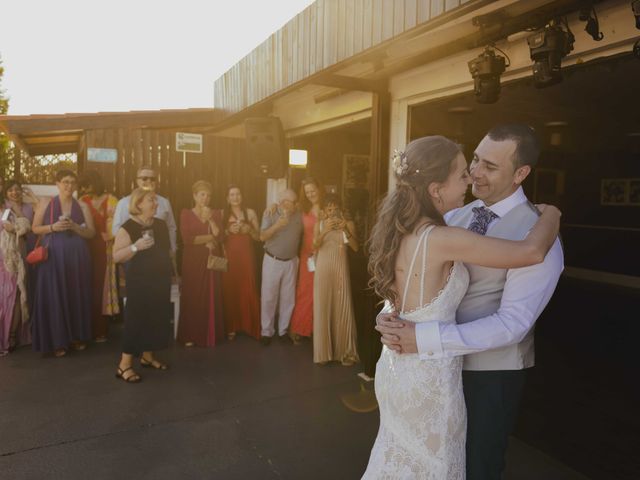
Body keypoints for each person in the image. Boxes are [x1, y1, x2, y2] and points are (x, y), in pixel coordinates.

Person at [361, 134, 561, 478]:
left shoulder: (538, 230)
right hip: (430, 371)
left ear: (521, 173)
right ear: (437, 188)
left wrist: (420, 335)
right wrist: (388, 314)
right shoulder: (451, 219)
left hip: (489, 374)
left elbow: (514, 323)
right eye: (473, 162)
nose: (475, 173)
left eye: (490, 165)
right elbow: (414, 280)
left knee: (475, 468)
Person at [31, 170, 95, 357]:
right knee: (54, 294)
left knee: (75, 292)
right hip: (53, 255)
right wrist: (52, 227)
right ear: (57, 183)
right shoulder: (46, 203)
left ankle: (76, 336)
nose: (69, 185)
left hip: (77, 255)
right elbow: (35, 228)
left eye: (72, 182)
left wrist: (75, 227)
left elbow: (91, 232)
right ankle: (57, 340)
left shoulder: (82, 205)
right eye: (65, 182)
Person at [113, 188, 172, 383]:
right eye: (151, 200)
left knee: (155, 317)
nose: (155, 203)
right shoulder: (128, 227)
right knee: (136, 320)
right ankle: (124, 365)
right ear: (139, 204)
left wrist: (174, 274)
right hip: (140, 281)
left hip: (160, 280)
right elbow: (116, 256)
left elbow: (168, 253)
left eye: (155, 200)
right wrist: (135, 246)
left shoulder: (161, 225)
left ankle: (148, 357)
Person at [312, 193, 359, 365]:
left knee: (343, 306)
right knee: (322, 307)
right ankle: (323, 353)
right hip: (323, 270)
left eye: (335, 208)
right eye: (328, 209)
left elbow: (355, 247)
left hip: (340, 269)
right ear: (324, 210)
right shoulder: (319, 225)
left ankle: (346, 353)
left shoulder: (348, 224)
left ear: (340, 209)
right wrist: (324, 230)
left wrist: (345, 228)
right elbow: (314, 246)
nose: (332, 212)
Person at [177, 180, 225, 347]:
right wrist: (209, 238)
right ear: (194, 196)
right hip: (192, 259)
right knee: (193, 295)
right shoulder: (186, 213)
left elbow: (220, 236)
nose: (205, 198)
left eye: (208, 195)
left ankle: (209, 334)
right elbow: (187, 240)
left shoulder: (216, 213)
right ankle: (190, 335)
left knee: (211, 295)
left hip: (211, 258)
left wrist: (211, 220)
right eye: (202, 194)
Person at [79, 170, 119, 342]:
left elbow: (119, 223)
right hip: (85, 248)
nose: (84, 188)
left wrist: (111, 236)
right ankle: (84, 329)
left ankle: (100, 329)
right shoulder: (81, 201)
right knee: (85, 285)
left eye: (87, 184)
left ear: (95, 182)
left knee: (101, 288)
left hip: (105, 248)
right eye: (82, 185)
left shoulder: (111, 200)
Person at [259, 188, 303, 345]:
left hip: (291, 262)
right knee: (269, 297)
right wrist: (277, 225)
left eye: (290, 202)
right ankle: (266, 332)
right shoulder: (270, 213)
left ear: (295, 204)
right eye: (283, 201)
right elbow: (262, 236)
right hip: (272, 260)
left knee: (288, 298)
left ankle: (283, 330)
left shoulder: (299, 215)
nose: (285, 205)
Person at [0, 180, 37, 355]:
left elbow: (34, 224)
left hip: (27, 252)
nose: (14, 192)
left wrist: (31, 196)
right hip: (10, 255)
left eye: (17, 189)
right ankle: (10, 335)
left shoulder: (29, 207)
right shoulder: (4, 207)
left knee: (23, 292)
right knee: (11, 294)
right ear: (6, 193)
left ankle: (17, 334)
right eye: (11, 190)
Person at [221, 184, 261, 340]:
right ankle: (231, 327)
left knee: (248, 287)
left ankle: (250, 326)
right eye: (232, 194)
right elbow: (217, 236)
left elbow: (259, 237)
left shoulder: (250, 212)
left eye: (238, 194)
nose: (235, 197)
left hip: (246, 256)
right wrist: (228, 231)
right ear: (227, 198)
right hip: (230, 257)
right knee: (231, 289)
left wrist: (249, 230)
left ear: (242, 196)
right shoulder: (223, 213)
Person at [289, 177, 324, 345]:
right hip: (307, 255)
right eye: (307, 192)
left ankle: (316, 329)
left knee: (321, 292)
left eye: (313, 190)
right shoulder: (302, 208)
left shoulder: (328, 207)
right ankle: (299, 328)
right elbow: (286, 209)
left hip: (324, 253)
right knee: (305, 290)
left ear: (319, 188)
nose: (311, 194)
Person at [112, 165, 177, 253]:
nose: (149, 181)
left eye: (152, 179)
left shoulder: (164, 202)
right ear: (137, 181)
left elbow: (171, 227)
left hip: (160, 253)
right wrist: (132, 247)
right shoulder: (124, 203)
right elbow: (116, 230)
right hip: (135, 254)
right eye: (144, 178)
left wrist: (172, 249)